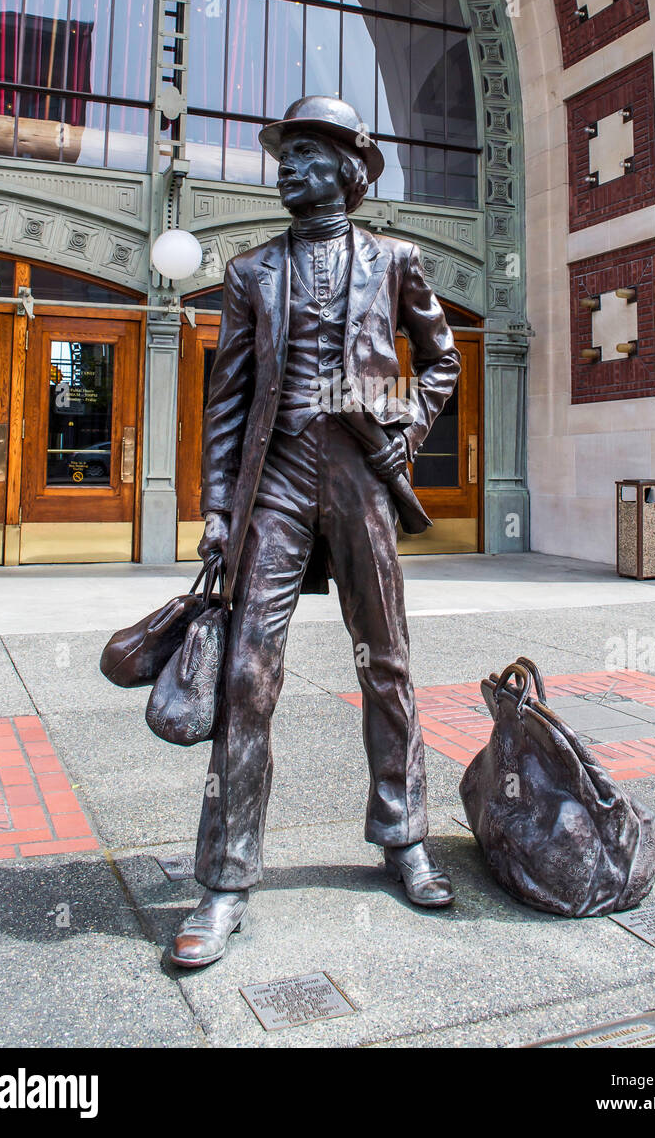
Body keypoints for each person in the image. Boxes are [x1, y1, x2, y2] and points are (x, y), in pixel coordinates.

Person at [171, 97, 461, 968]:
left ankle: (404, 833)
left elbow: (440, 357)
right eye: (283, 155)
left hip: (364, 480)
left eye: (302, 155)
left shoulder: (396, 260)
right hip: (279, 486)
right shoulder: (251, 271)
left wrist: (408, 431)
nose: (285, 169)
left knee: (389, 660)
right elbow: (226, 400)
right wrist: (219, 507)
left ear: (346, 168)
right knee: (246, 681)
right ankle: (225, 880)